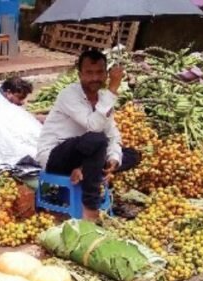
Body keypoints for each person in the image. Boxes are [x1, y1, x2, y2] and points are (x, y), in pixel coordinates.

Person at [37, 50, 141, 221]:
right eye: (89, 73)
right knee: (97, 139)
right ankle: (90, 208)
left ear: (106, 74)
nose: (95, 78)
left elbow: (113, 136)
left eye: (100, 72)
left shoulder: (103, 98)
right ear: (80, 75)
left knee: (131, 154)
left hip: (88, 154)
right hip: (56, 156)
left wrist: (113, 159)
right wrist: (113, 88)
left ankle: (85, 169)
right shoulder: (69, 94)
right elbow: (95, 126)